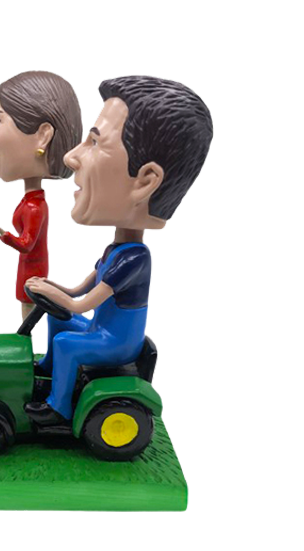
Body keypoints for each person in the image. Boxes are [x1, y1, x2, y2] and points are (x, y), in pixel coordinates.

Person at [25, 75, 213, 425]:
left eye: (95, 143)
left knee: (66, 344)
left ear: (145, 181)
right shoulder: (116, 249)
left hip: (116, 341)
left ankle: (58, 406)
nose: (71, 156)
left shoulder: (133, 259)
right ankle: (48, 375)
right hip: (101, 329)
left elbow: (81, 305)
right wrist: (48, 287)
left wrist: (50, 293)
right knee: (56, 319)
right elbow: (76, 293)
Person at [0, 71, 82, 321]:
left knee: (29, 302)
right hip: (29, 266)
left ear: (43, 136)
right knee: (26, 303)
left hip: (32, 269)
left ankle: (28, 338)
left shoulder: (35, 206)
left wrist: (3, 233)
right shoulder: (32, 202)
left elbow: (27, 243)